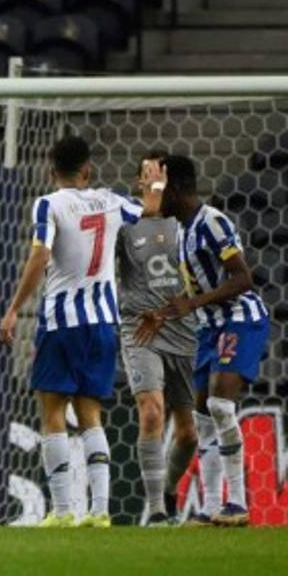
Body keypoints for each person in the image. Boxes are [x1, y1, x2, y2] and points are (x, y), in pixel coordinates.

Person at [0, 135, 164, 528]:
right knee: (91, 414)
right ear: (87, 170)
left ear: (51, 171)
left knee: (53, 411)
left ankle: (62, 511)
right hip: (103, 323)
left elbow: (40, 254)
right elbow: (151, 212)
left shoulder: (49, 203)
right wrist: (153, 184)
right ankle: (101, 511)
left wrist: (13, 308)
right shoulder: (110, 199)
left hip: (61, 323)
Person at [136, 155, 270, 527]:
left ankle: (238, 504)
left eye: (160, 189)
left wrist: (191, 303)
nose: (156, 196)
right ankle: (212, 506)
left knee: (221, 407)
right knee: (204, 419)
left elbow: (243, 278)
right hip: (208, 329)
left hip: (240, 319)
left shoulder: (212, 222)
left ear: (176, 189)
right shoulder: (180, 230)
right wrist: (163, 314)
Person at [115, 151, 198, 526]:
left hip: (183, 331)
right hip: (140, 329)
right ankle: (158, 513)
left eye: (159, 173)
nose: (154, 180)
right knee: (151, 412)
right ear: (138, 183)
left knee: (189, 435)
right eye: (147, 174)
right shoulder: (124, 224)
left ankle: (168, 491)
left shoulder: (187, 223)